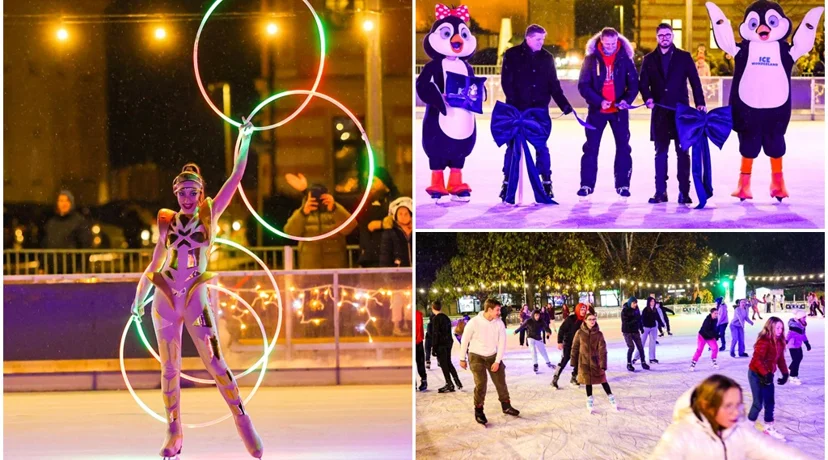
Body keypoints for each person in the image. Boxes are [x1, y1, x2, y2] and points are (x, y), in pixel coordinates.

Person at [128, 121, 263, 459]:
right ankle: (174, 430)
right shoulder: (165, 221)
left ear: (201, 193)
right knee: (169, 368)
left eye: (192, 193)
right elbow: (154, 264)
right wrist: (138, 298)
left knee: (215, 362)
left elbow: (235, 177)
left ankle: (242, 419)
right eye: (182, 193)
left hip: (194, 298)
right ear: (175, 194)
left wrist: (244, 139)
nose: (187, 198)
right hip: (164, 299)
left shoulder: (209, 214)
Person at [647, 374, 811, 459]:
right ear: (707, 406)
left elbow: (774, 452)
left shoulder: (739, 428)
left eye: (738, 404)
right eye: (728, 406)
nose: (736, 412)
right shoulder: (681, 434)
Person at [499, 24, 574, 201]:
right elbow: (506, 82)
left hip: (539, 112)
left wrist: (564, 104)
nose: (541, 42)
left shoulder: (547, 58)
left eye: (543, 39)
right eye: (538, 39)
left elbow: (554, 85)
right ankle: (507, 183)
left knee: (541, 146)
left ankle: (546, 182)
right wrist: (515, 105)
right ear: (528, 38)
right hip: (517, 112)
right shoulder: (512, 55)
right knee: (513, 147)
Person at [639, 23, 706, 204]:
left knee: (683, 153)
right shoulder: (649, 59)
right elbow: (643, 84)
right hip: (660, 112)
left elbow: (695, 81)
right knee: (660, 153)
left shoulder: (684, 57)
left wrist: (700, 103)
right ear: (657, 37)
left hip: (681, 113)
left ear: (672, 36)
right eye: (661, 35)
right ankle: (660, 192)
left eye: (667, 34)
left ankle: (684, 192)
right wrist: (648, 98)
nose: (665, 38)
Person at [577, 27, 638, 199]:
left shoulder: (625, 59)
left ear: (617, 41)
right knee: (591, 148)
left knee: (623, 148)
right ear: (601, 41)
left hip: (619, 112)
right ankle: (586, 185)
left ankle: (623, 185)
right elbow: (583, 85)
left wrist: (626, 100)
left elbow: (634, 84)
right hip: (597, 112)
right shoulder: (591, 59)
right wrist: (599, 101)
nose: (610, 46)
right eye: (607, 43)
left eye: (613, 43)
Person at [459, 298, 520, 425]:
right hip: (476, 356)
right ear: (489, 309)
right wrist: (462, 358)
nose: (499, 312)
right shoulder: (474, 322)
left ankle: (506, 406)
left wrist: (497, 361)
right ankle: (479, 410)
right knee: (481, 384)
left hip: (492, 355)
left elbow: (502, 342)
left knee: (500, 382)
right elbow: (465, 340)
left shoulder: (499, 323)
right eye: (497, 310)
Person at [284, 186, 357, 269]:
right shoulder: (302, 213)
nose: (318, 199)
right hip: (309, 266)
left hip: (335, 266)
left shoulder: (335, 211)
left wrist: (335, 208)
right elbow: (290, 232)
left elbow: (350, 227)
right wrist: (303, 213)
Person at [747, 317, 789, 441]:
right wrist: (765, 373)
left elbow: (780, 359)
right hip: (755, 374)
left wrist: (785, 373)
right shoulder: (764, 341)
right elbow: (757, 360)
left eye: (782, 328)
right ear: (770, 327)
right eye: (777, 328)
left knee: (770, 402)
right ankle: (748, 427)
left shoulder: (780, 341)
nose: (780, 330)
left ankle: (768, 427)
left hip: (768, 374)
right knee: (758, 403)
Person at [572, 312, 618, 413]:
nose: (592, 321)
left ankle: (610, 396)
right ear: (585, 321)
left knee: (603, 380)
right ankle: (589, 398)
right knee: (588, 381)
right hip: (584, 362)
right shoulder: (579, 333)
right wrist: (573, 361)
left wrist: (603, 363)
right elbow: (575, 347)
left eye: (594, 319)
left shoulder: (599, 334)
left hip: (596, 361)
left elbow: (602, 350)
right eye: (590, 319)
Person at [355, 168, 399, 268]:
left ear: (384, 181)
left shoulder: (396, 201)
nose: (370, 184)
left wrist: (381, 224)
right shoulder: (364, 201)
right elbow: (363, 224)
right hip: (369, 257)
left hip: (390, 256)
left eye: (374, 180)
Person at [42, 190, 93, 274]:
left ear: (71, 203)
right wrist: (42, 266)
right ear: (57, 203)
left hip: (72, 270)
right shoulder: (51, 223)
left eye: (67, 201)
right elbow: (45, 245)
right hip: (53, 270)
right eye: (61, 201)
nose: (64, 204)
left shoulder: (79, 221)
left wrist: (81, 269)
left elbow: (85, 246)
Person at [551, 302, 588, 388]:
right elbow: (562, 329)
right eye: (581, 309)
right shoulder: (571, 319)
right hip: (568, 344)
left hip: (580, 345)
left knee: (579, 361)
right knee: (564, 360)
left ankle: (574, 378)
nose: (583, 311)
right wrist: (559, 342)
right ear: (578, 309)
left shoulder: (586, 320)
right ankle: (555, 379)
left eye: (584, 309)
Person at [430, 301, 462, 393]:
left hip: (441, 344)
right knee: (448, 362)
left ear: (433, 308)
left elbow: (435, 333)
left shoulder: (436, 319)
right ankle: (457, 381)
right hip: (448, 343)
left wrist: (434, 347)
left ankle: (449, 383)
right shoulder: (446, 317)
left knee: (444, 364)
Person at [379, 197, 412, 267]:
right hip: (398, 272)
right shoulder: (389, 233)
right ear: (395, 216)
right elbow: (385, 256)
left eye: (406, 214)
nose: (403, 216)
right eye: (400, 214)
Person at [621, 297, 650, 372]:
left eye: (636, 303)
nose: (635, 304)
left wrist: (641, 327)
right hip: (627, 331)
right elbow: (626, 323)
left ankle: (643, 362)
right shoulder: (625, 311)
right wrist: (635, 320)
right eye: (634, 303)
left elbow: (639, 320)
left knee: (640, 347)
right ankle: (629, 364)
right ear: (630, 303)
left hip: (635, 331)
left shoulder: (636, 309)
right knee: (631, 347)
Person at [786, 310, 810, 385]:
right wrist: (785, 341)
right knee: (796, 360)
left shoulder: (802, 326)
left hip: (798, 344)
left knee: (799, 357)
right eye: (803, 317)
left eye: (805, 317)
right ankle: (793, 376)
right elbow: (789, 335)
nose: (805, 319)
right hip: (792, 345)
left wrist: (807, 343)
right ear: (799, 318)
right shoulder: (793, 326)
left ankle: (790, 369)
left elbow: (803, 335)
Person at [633, 297, 660, 364]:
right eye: (651, 301)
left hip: (653, 328)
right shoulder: (645, 310)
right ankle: (636, 357)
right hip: (646, 328)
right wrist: (642, 327)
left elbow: (658, 318)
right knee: (641, 343)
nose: (653, 302)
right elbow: (642, 319)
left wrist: (662, 324)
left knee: (653, 343)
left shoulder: (655, 309)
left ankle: (652, 358)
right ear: (648, 302)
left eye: (653, 301)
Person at [416, 308, 427, 391]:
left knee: (420, 362)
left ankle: (423, 380)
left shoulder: (417, 314)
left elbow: (419, 328)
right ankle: (423, 380)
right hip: (417, 341)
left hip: (417, 342)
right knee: (420, 362)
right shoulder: (418, 314)